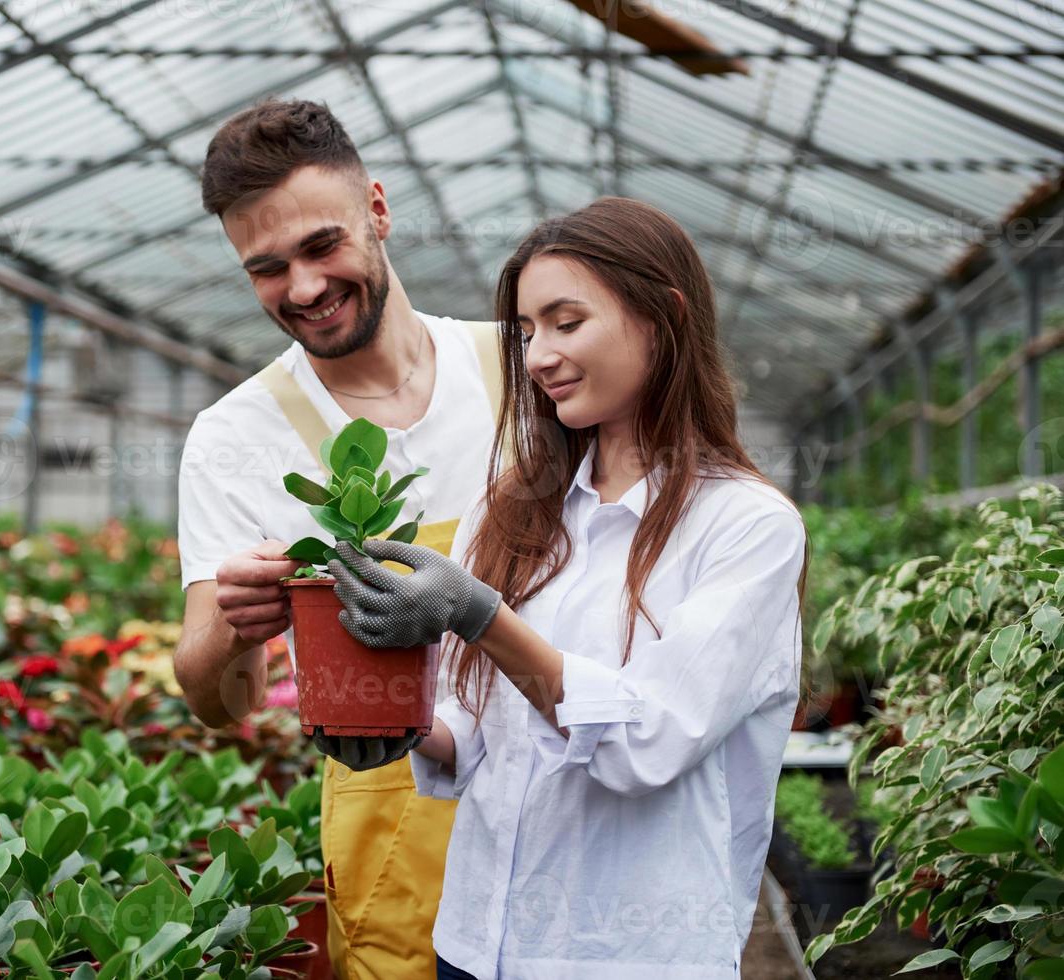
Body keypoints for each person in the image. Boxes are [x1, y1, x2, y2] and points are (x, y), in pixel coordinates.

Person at [328, 197, 809, 979]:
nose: (537, 355)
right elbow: (476, 719)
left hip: (627, 956)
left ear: (664, 316)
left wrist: (481, 616)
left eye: (565, 321)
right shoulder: (513, 507)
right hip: (474, 944)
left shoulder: (746, 528)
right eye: (523, 333)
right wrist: (401, 726)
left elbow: (643, 744)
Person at [173, 98, 503, 978]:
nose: (305, 288)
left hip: (563, 800)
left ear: (379, 211)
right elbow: (217, 701)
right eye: (267, 268)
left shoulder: (521, 374)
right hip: (390, 825)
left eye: (323, 246)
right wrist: (229, 630)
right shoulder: (236, 436)